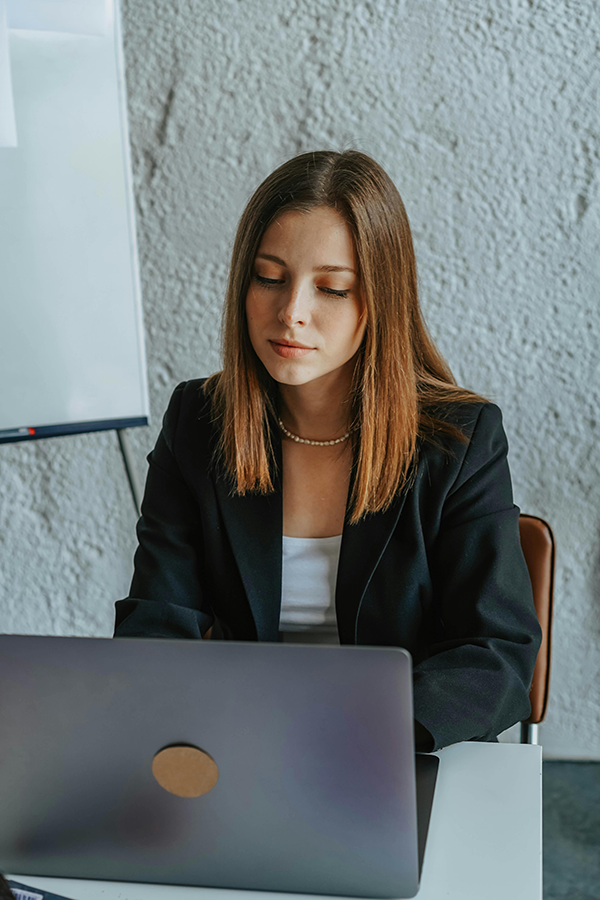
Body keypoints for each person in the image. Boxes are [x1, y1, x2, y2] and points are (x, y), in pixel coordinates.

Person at [114, 149, 542, 752]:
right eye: (269, 277)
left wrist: (355, 733)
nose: (292, 313)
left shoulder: (461, 439)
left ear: (380, 299)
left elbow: (496, 652)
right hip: (240, 749)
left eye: (332, 288)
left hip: (393, 751)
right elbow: (157, 621)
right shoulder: (199, 422)